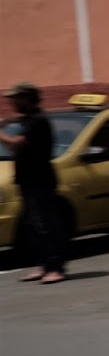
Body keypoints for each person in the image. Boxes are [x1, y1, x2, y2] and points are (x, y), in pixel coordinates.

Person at [1, 82, 67, 284]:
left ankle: (56, 268)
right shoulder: (27, 120)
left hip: (40, 179)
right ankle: (44, 265)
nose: (12, 102)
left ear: (27, 98)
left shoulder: (38, 120)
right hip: (27, 180)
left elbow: (15, 144)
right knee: (33, 225)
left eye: (16, 98)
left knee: (46, 224)